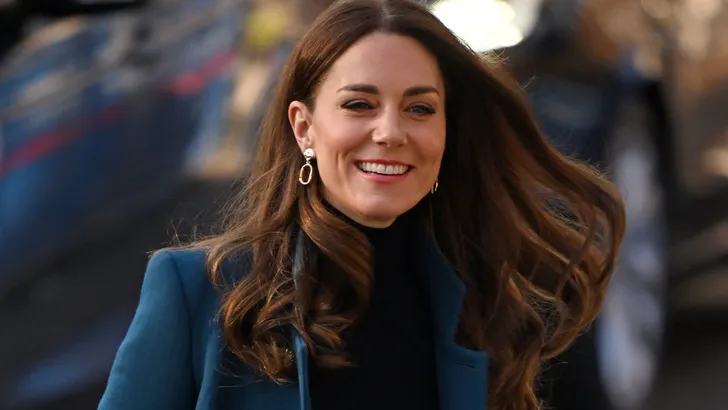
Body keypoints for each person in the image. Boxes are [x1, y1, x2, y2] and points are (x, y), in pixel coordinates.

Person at [98, 0, 625, 409]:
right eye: (359, 104)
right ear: (304, 127)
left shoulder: (489, 301)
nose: (390, 132)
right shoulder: (196, 291)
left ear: (447, 133)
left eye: (420, 108)